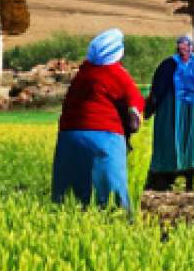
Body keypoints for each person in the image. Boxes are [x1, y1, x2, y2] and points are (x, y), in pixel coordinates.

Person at [51, 28, 145, 210]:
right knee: (111, 190)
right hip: (104, 135)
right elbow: (134, 106)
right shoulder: (116, 72)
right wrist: (132, 124)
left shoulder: (82, 74)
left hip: (68, 135)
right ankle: (118, 220)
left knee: (72, 191)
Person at [145, 34, 194, 193]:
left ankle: (189, 182)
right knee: (171, 142)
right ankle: (166, 178)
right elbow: (158, 89)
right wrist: (150, 107)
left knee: (192, 143)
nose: (184, 51)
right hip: (171, 111)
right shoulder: (168, 65)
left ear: (192, 48)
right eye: (181, 48)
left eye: (187, 48)